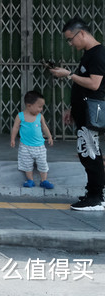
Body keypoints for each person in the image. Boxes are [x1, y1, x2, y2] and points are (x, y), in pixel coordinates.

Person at [48, 18, 105, 211]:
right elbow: (84, 87)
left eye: (70, 39)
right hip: (83, 111)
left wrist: (68, 75)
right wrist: (72, 108)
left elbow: (94, 84)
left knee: (90, 153)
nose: (70, 44)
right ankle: (92, 192)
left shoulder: (98, 54)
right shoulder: (89, 54)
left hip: (91, 113)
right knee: (85, 153)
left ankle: (97, 197)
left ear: (81, 33)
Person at [9, 90, 54, 189]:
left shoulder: (40, 116)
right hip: (25, 146)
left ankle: (44, 180)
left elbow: (44, 127)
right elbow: (15, 128)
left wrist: (49, 137)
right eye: (39, 106)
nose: (41, 109)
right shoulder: (20, 116)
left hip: (40, 146)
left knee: (43, 164)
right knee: (27, 164)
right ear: (29, 105)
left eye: (42, 106)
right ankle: (30, 180)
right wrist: (12, 139)